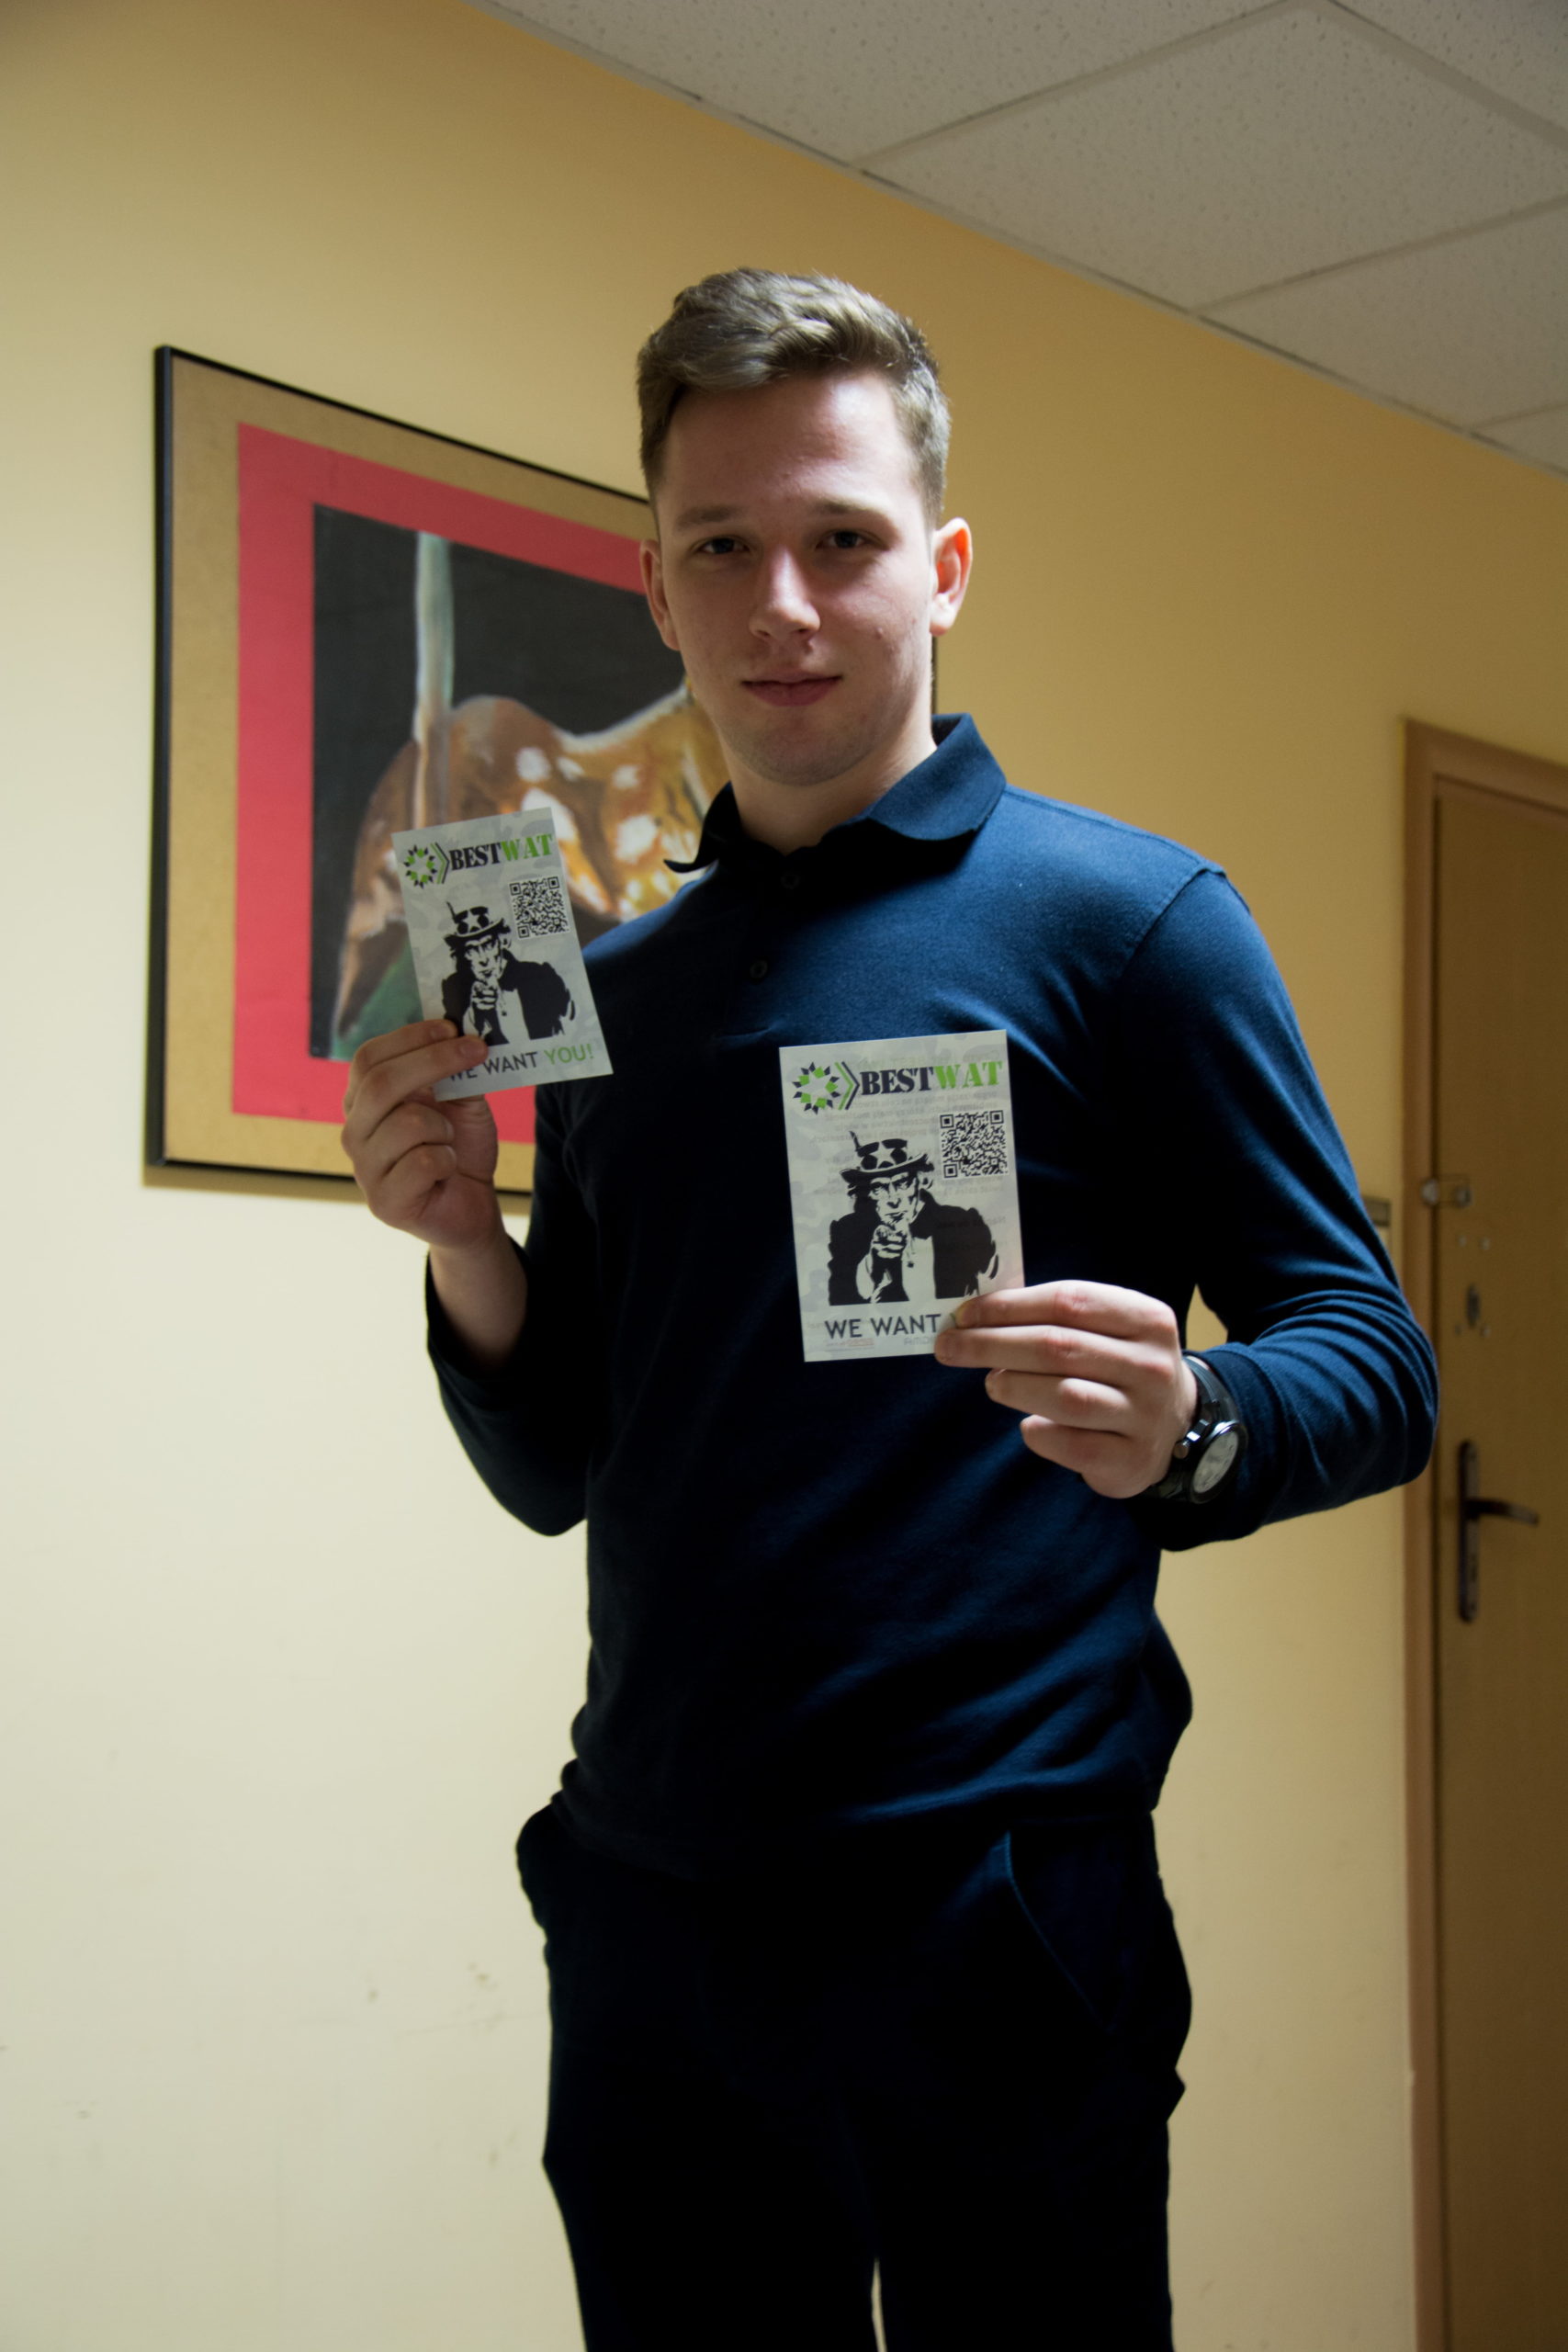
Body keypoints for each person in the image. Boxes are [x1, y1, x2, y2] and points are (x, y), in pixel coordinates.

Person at [340, 269, 1437, 2350]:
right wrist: (468, 1252)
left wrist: (1191, 1416)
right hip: (653, 1910)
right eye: (719, 547)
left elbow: (1371, 1359)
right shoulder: (612, 999)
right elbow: (561, 1464)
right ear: (654, 590)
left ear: (939, 568)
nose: (782, 605)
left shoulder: (1131, 924)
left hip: (995, 1911)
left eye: (839, 537)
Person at [828, 1134, 997, 1306]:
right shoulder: (847, 1231)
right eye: (879, 1187)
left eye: (902, 1183)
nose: (893, 1199)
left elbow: (994, 1282)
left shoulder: (963, 1222)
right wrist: (873, 1262)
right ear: (867, 1193)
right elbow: (838, 1298)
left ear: (920, 1180)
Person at [438, 903, 575, 1046]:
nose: (483, 959)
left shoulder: (540, 975)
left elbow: (570, 1028)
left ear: (502, 941)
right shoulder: (453, 987)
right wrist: (475, 1014)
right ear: (463, 955)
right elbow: (451, 1041)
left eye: (488, 945)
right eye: (471, 949)